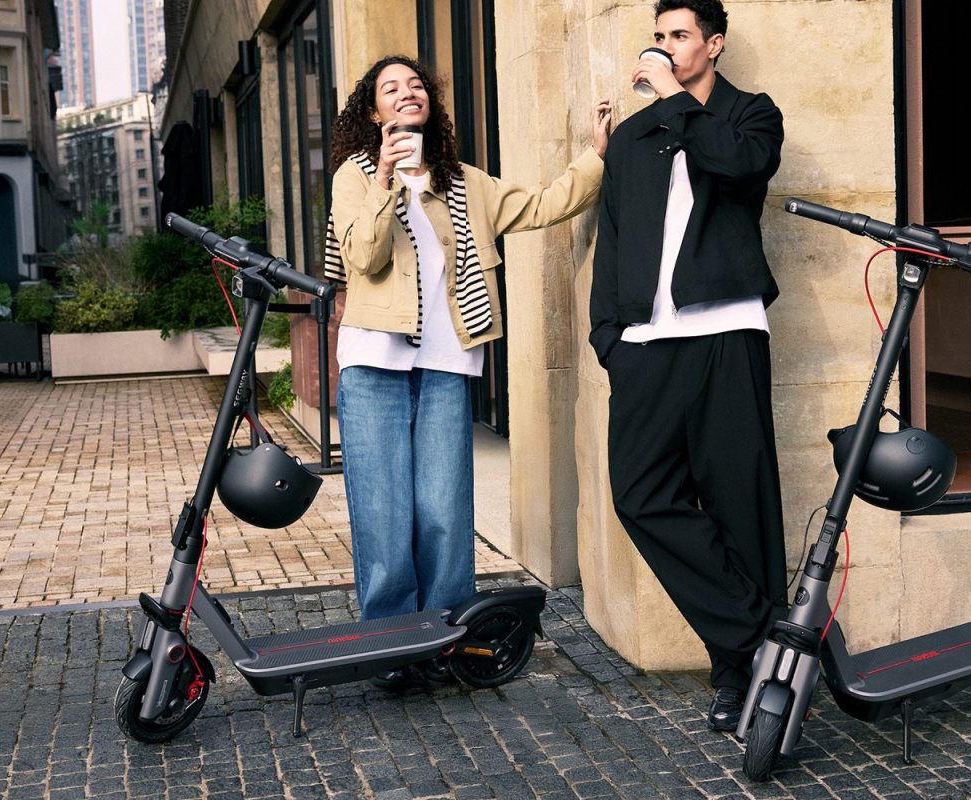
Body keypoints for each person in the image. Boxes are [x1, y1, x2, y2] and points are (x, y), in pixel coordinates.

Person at [326, 55, 610, 690]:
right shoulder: (356, 175)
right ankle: (392, 649)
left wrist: (596, 155)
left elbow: (543, 205)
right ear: (373, 113)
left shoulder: (466, 184)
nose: (406, 94)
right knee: (384, 514)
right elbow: (363, 258)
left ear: (431, 103)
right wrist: (387, 180)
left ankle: (447, 638)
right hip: (375, 365)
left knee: (445, 513)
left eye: (416, 85)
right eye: (390, 89)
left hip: (447, 365)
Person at [588, 0, 786, 730]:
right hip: (644, 346)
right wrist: (608, 335)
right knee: (641, 495)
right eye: (659, 38)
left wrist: (678, 103)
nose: (666, 48)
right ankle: (760, 634)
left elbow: (740, 167)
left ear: (714, 44)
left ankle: (737, 677)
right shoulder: (634, 135)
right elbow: (613, 238)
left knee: (740, 503)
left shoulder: (749, 116)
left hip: (726, 331)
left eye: (679, 37)